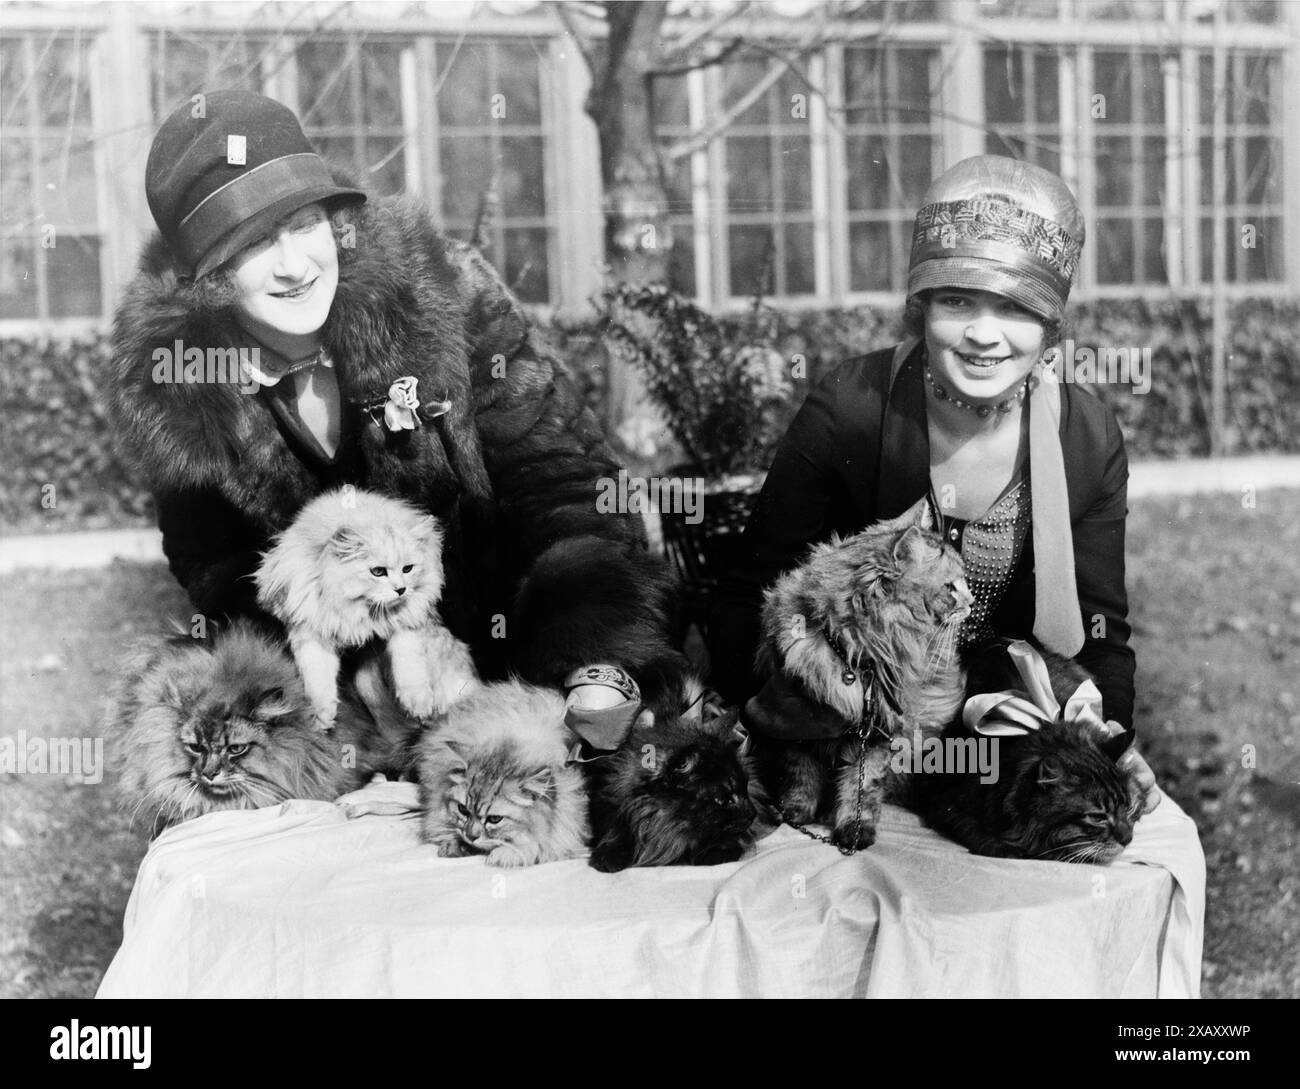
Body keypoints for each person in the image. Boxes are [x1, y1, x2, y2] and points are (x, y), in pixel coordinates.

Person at [109, 89, 684, 735]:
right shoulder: (184, 384)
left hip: (524, 650)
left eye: (304, 225)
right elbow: (217, 565)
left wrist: (590, 658)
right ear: (206, 277)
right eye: (254, 244)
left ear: (338, 224)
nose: (296, 265)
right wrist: (348, 663)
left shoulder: (441, 292)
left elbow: (558, 475)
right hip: (357, 695)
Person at [707, 154, 1157, 810]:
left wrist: (1110, 738)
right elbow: (751, 592)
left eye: (1013, 307)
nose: (982, 333)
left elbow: (1100, 630)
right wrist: (770, 719)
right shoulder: (852, 408)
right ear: (921, 306)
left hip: (991, 732)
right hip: (837, 730)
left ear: (1052, 325)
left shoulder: (1085, 439)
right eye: (956, 300)